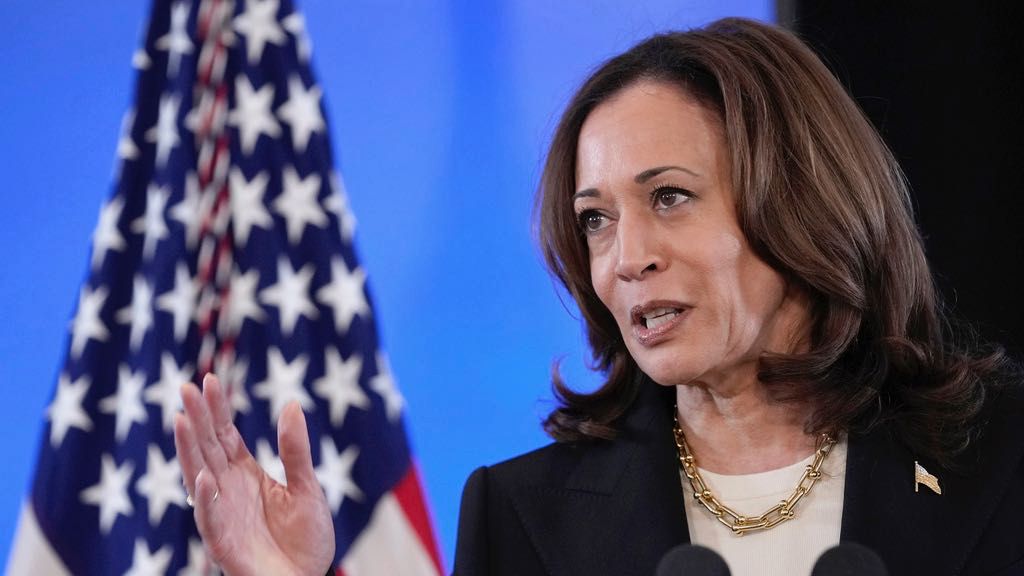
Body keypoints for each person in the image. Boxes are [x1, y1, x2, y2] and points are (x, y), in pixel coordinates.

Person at [174, 17, 1024, 576]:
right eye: (595, 221)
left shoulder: (999, 464)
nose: (626, 259)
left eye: (669, 198)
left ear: (800, 197)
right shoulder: (522, 519)